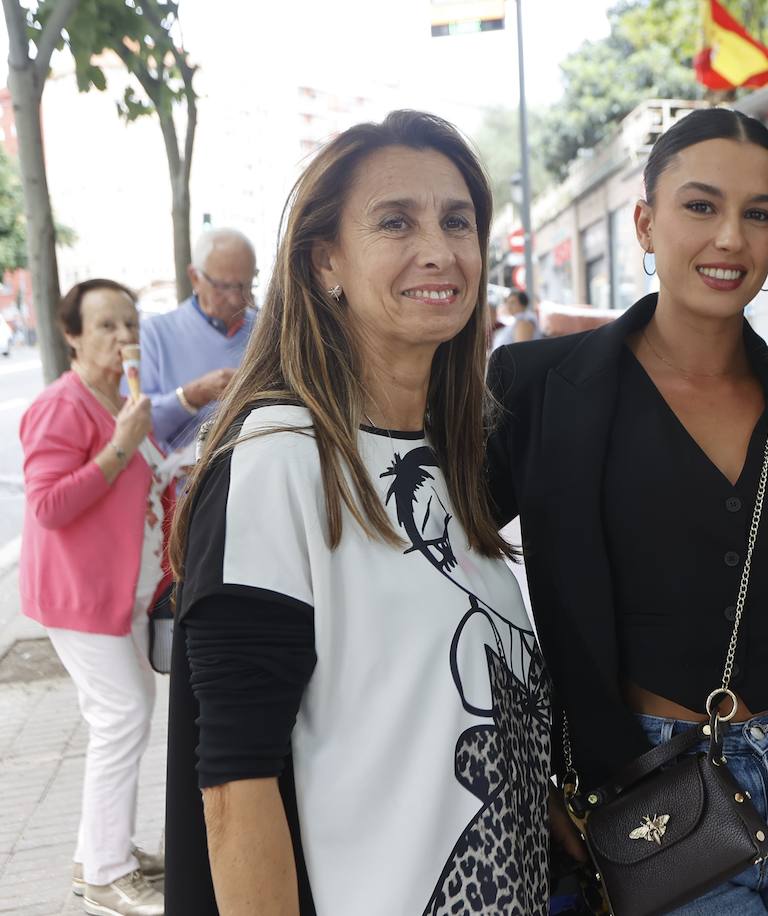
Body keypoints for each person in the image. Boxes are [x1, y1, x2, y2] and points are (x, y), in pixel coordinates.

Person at [488, 108, 768, 914]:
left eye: (759, 214)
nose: (730, 239)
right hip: (653, 792)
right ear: (645, 220)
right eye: (700, 207)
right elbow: (435, 558)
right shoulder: (540, 390)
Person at [164, 110, 551, 916]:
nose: (439, 250)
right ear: (326, 261)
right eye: (395, 222)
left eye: (458, 221)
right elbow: (236, 796)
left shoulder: (446, 459)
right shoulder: (277, 460)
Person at [19, 279, 174, 916]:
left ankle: (99, 855)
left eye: (131, 325)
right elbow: (49, 505)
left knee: (122, 717)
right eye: (106, 326)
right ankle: (108, 873)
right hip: (80, 596)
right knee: (123, 716)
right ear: (73, 335)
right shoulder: (64, 405)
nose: (123, 338)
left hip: (120, 595)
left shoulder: (122, 398)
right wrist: (119, 448)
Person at [139, 228, 257, 452]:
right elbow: (136, 429)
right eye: (223, 287)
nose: (236, 299)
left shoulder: (267, 331)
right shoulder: (154, 334)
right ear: (195, 277)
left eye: (246, 285)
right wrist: (191, 396)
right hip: (184, 483)